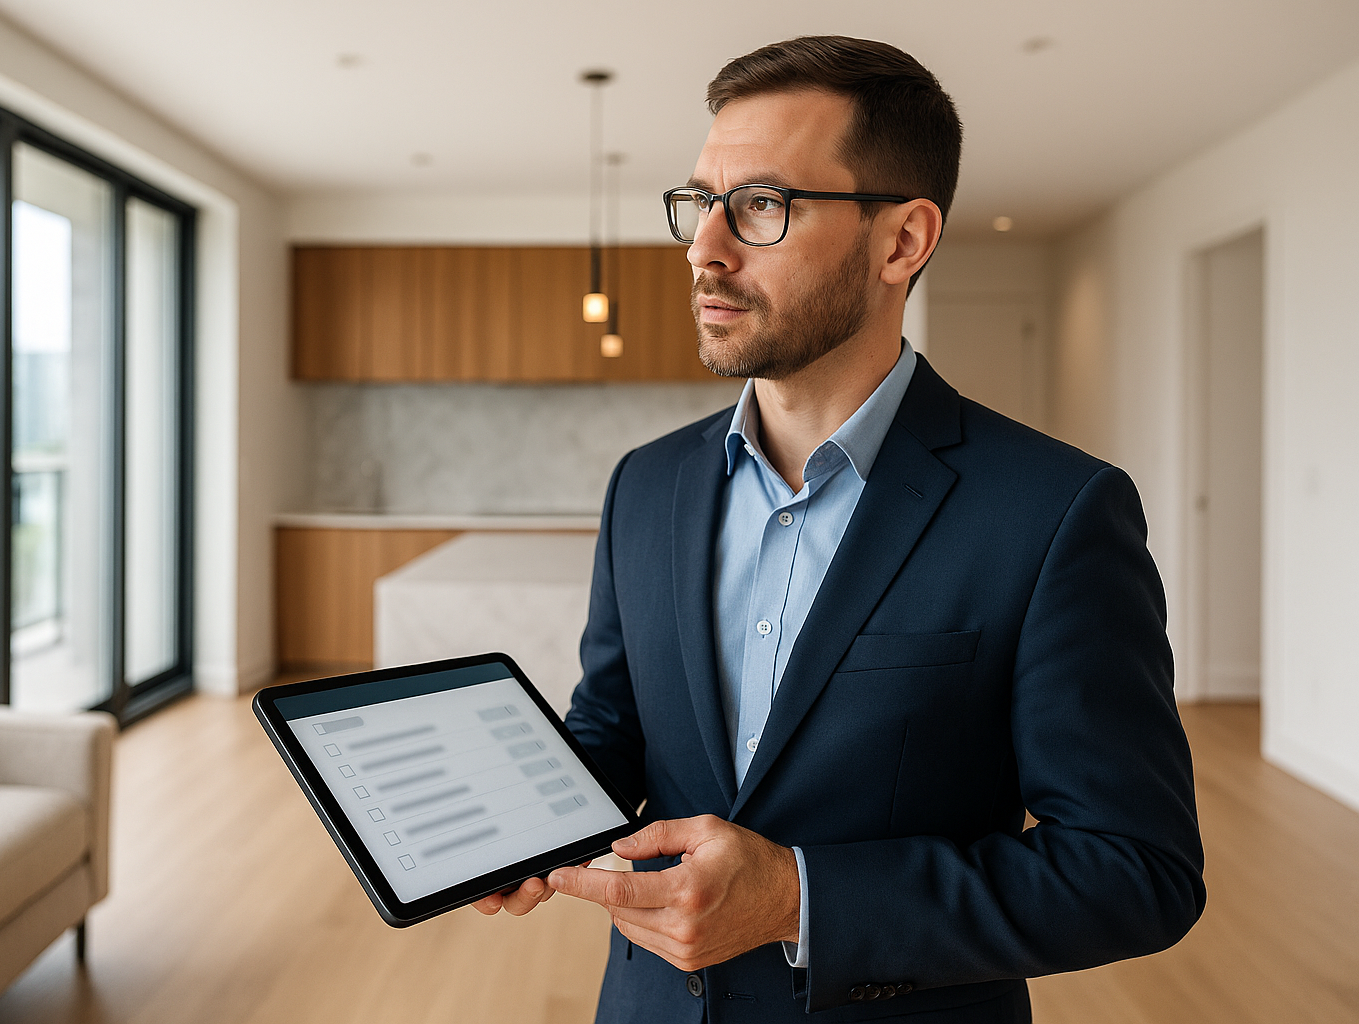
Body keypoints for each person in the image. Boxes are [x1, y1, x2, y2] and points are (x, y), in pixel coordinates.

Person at [474, 35, 1205, 1023]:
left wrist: (799, 898)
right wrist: (521, 819)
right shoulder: (645, 486)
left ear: (902, 240)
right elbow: (616, 726)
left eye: (763, 206)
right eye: (700, 203)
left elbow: (1135, 869)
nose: (705, 249)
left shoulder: (1055, 512)